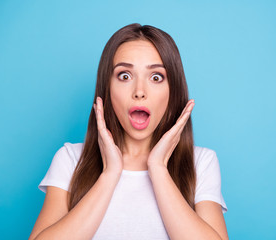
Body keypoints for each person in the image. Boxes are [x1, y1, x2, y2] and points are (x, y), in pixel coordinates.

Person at [29, 23, 228, 240]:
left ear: (173, 91)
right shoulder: (70, 159)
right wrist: (110, 174)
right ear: (107, 89)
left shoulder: (201, 163)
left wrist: (158, 168)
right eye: (125, 76)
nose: (139, 92)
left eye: (156, 77)